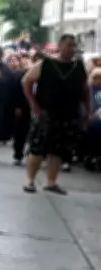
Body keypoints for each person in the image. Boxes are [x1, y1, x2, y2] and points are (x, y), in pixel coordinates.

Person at [22, 34, 89, 194]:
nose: (71, 48)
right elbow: (26, 80)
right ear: (60, 46)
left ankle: (51, 182)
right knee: (38, 149)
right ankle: (30, 181)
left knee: (58, 151)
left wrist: (86, 110)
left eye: (73, 45)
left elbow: (85, 89)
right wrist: (33, 104)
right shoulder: (46, 64)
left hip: (68, 114)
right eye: (68, 45)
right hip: (46, 113)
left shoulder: (79, 66)